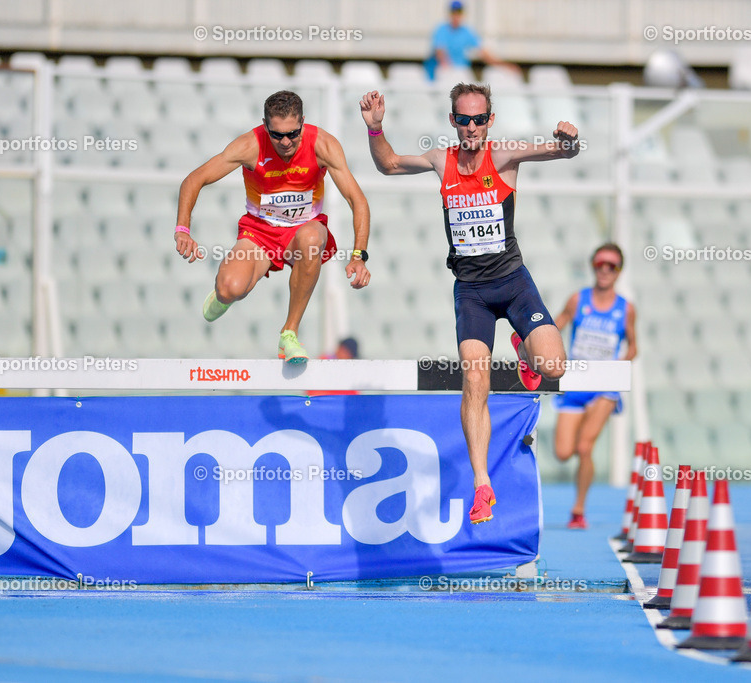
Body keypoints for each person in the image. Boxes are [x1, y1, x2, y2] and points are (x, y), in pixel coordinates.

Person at [359, 83, 580, 524]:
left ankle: (525, 351)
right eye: (464, 119)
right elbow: (387, 164)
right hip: (472, 292)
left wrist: (569, 140)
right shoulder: (442, 162)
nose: (472, 127)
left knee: (554, 367)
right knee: (475, 381)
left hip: (513, 283)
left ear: (490, 121)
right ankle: (482, 485)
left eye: (480, 119)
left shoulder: (503, 156)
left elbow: (561, 153)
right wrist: (376, 129)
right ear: (453, 122)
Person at [174, 90, 371, 362]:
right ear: (265, 125)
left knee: (312, 238)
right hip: (259, 233)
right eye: (277, 135)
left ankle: (289, 334)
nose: (286, 141)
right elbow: (193, 180)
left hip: (303, 232)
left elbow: (357, 200)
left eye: (293, 132)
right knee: (230, 287)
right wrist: (183, 229)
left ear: (303, 121)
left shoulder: (323, 144)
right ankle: (222, 297)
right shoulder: (249, 146)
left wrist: (359, 256)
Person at [553, 243, 637, 530]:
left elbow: (633, 345)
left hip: (604, 387)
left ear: (619, 271)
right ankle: (578, 501)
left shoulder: (625, 309)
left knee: (585, 446)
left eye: (611, 266)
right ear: (593, 265)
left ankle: (578, 509)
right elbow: (556, 326)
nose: (604, 270)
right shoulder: (579, 299)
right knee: (564, 452)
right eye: (600, 263)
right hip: (576, 382)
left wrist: (620, 367)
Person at [424, 1, 521, 81]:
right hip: (442, 75)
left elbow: (483, 53)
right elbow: (440, 53)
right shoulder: (441, 29)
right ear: (450, 13)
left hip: (459, 74)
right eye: (454, 12)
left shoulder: (466, 31)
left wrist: (504, 66)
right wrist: (450, 71)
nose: (456, 15)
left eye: (459, 12)